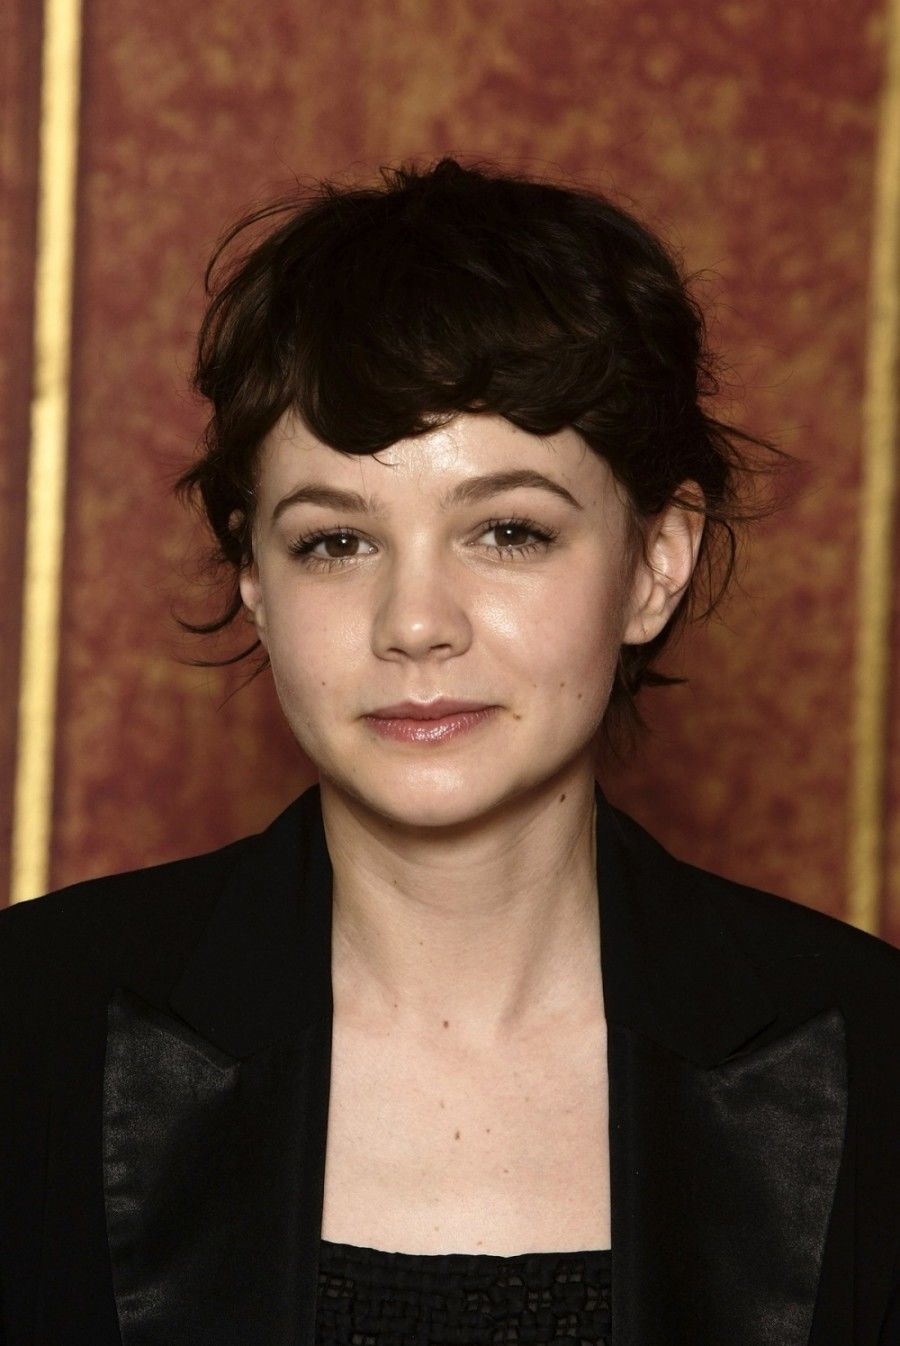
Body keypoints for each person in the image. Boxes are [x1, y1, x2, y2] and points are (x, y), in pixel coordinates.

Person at [1, 158, 898, 1346]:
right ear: (253, 578)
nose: (415, 622)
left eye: (508, 530)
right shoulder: (29, 1027)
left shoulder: (875, 1054)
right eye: (335, 542)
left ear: (655, 563)